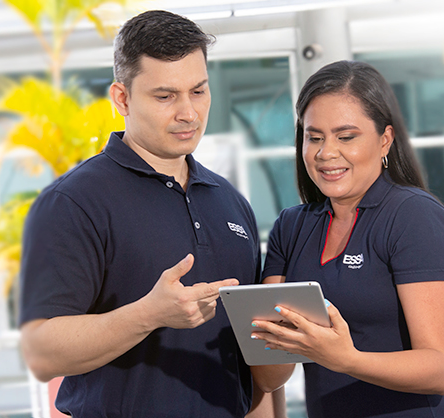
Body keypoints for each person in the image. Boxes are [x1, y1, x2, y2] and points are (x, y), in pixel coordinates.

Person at [19, 10, 282, 417]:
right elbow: (40, 352)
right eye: (165, 96)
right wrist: (148, 315)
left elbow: (249, 362)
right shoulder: (73, 203)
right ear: (121, 98)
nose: (188, 113)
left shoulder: (230, 201)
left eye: (198, 91)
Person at [249, 61, 444, 417]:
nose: (326, 153)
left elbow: (439, 370)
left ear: (385, 140)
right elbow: (268, 374)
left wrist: (346, 359)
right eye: (315, 136)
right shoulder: (291, 227)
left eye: (346, 136)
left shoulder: (413, 216)